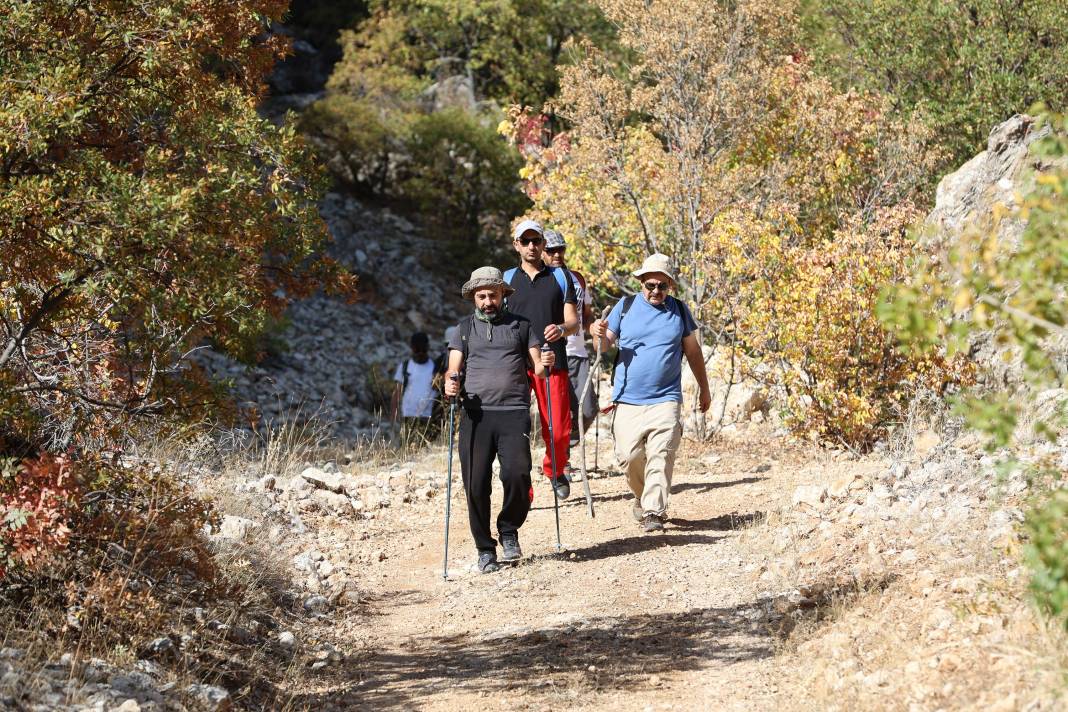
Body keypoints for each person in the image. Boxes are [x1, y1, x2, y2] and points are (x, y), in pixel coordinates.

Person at [590, 253, 712, 532]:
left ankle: (654, 511)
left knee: (661, 453)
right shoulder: (626, 306)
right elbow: (604, 345)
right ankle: (641, 496)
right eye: (650, 285)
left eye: (662, 285)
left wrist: (704, 389)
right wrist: (596, 331)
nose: (656, 290)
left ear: (670, 284)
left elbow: (693, 352)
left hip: (666, 399)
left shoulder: (679, 311)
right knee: (629, 457)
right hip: (628, 398)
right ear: (641, 282)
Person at [444, 267, 554, 573]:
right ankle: (485, 549)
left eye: (493, 294)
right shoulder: (463, 329)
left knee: (518, 475)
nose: (488, 301)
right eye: (482, 296)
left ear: (503, 294)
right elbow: (454, 367)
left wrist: (546, 362)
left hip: (514, 412)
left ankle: (508, 530)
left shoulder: (521, 326)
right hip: (475, 415)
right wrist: (450, 382)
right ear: (474, 298)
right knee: (475, 484)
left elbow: (540, 369)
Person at [504, 219, 579, 500]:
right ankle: (524, 487)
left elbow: (573, 321)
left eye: (536, 241)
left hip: (551, 362)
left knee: (559, 430)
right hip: (515, 365)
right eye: (526, 241)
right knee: (516, 430)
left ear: (544, 244)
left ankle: (555, 469)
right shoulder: (507, 279)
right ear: (517, 245)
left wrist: (561, 329)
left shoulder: (561, 278)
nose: (532, 246)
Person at [542, 230, 596, 458]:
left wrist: (594, 327)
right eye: (551, 250)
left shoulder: (577, 278)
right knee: (559, 414)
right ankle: (559, 460)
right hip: (552, 356)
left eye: (560, 249)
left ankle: (566, 448)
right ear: (542, 252)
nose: (556, 254)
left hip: (578, 353)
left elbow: (586, 315)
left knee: (589, 408)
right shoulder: (540, 280)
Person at [391, 332, 441, 444]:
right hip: (408, 416)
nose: (420, 353)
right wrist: (393, 419)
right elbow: (396, 394)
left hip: (428, 418)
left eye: (423, 350)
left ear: (428, 348)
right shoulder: (404, 366)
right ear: (412, 348)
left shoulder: (435, 368)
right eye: (417, 350)